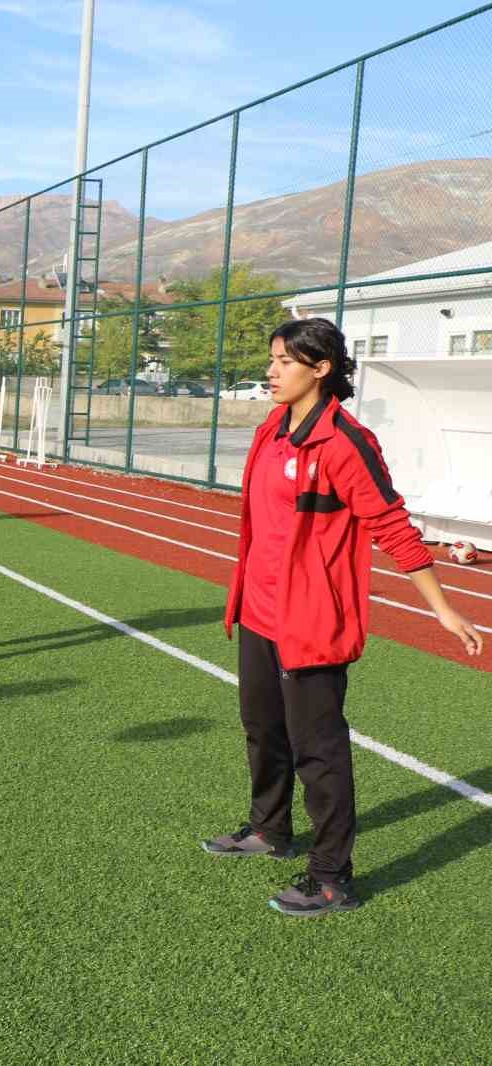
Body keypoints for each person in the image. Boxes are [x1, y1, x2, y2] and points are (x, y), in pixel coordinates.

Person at [205, 318, 483, 917]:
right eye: (272, 359)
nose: (272, 371)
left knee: (319, 751)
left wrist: (442, 608)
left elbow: (391, 526)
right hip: (257, 612)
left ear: (321, 367)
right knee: (262, 730)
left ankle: (332, 878)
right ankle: (270, 829)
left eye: (284, 361)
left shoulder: (345, 443)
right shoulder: (273, 428)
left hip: (308, 624)